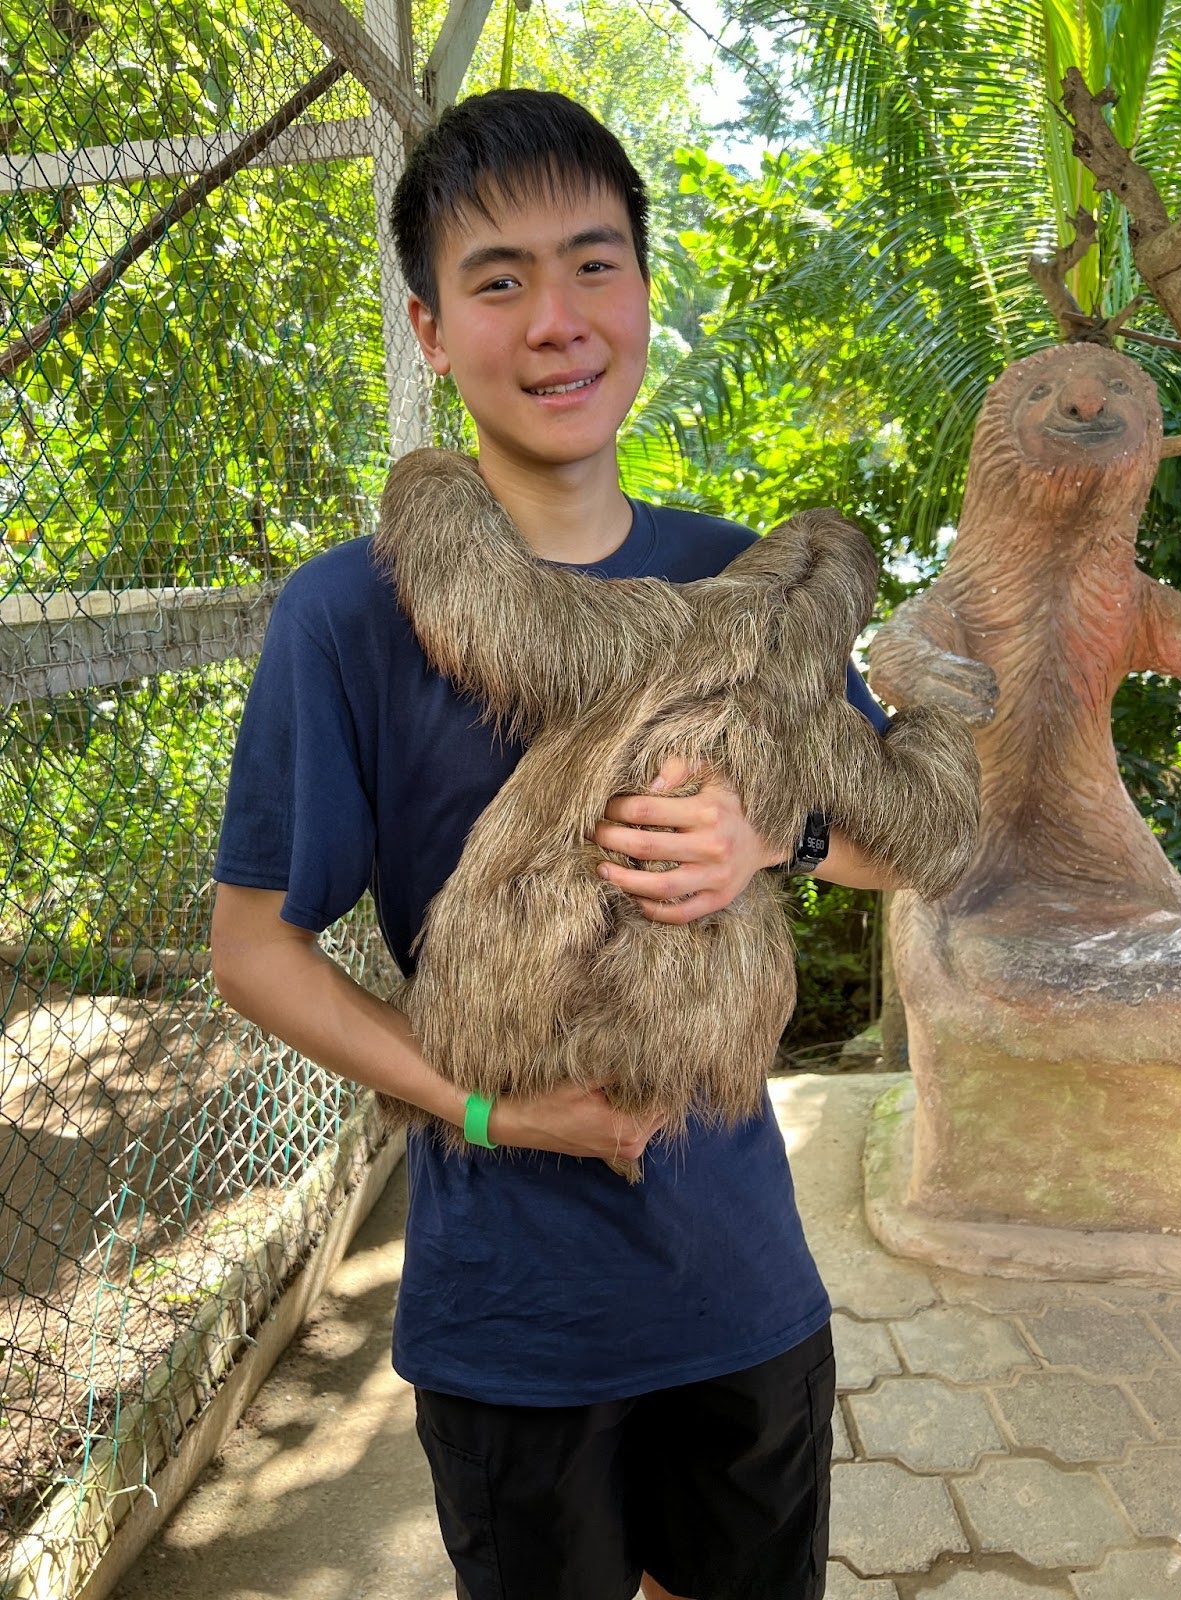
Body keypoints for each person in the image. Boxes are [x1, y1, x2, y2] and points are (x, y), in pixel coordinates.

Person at [211, 87, 901, 1600]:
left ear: (646, 292)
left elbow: (896, 843)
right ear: (428, 327)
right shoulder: (352, 614)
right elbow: (250, 942)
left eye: (594, 265)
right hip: (514, 1314)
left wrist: (771, 836)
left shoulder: (742, 576)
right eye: (498, 280)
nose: (557, 322)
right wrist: (484, 1111)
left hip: (739, 1282)